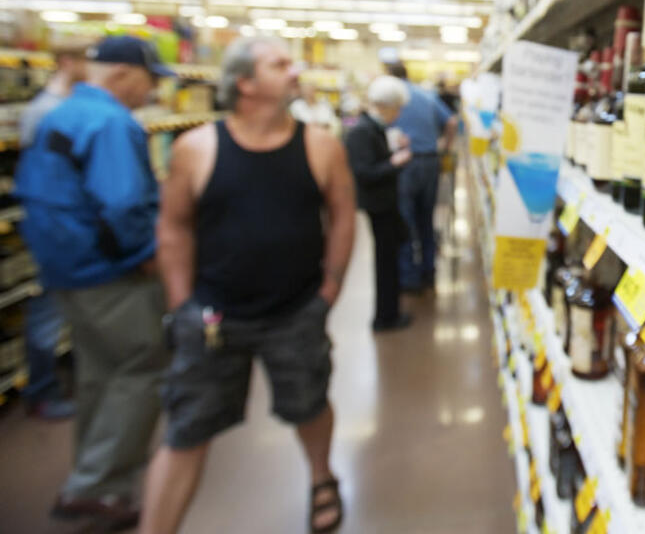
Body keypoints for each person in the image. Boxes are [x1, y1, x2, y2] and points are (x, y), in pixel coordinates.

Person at [140, 36, 356, 534]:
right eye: (279, 63)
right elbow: (174, 227)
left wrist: (328, 293)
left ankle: (322, 478)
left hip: (297, 309)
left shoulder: (319, 145)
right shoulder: (198, 148)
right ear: (245, 82)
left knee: (309, 402)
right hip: (215, 316)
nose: (295, 68)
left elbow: (343, 216)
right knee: (187, 427)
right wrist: (182, 304)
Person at [14, 35, 174, 530]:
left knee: (99, 374)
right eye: (149, 80)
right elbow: (123, 203)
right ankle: (101, 490)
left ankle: (86, 477)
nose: (152, 93)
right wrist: (146, 254)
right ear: (125, 73)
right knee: (142, 368)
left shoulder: (59, 114)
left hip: (67, 270)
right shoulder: (110, 122)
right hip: (111, 273)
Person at [17, 45, 88, 422]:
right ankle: (41, 392)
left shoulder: (73, 107)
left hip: (69, 227)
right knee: (47, 312)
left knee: (67, 310)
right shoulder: (44, 112)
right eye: (84, 59)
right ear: (67, 61)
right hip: (52, 228)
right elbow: (42, 177)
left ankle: (66, 383)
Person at [343, 75, 412, 332]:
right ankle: (385, 317)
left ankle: (390, 310)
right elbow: (363, 173)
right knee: (385, 261)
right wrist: (394, 163)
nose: (399, 114)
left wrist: (394, 153)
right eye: (397, 108)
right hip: (378, 204)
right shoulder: (361, 132)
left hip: (385, 202)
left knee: (391, 256)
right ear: (386, 105)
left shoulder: (374, 129)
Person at [384, 62, 456, 293]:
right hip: (430, 161)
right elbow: (452, 121)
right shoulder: (427, 96)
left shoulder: (392, 99)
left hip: (405, 163)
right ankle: (429, 269)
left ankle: (409, 277)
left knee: (405, 221)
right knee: (427, 218)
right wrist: (445, 146)